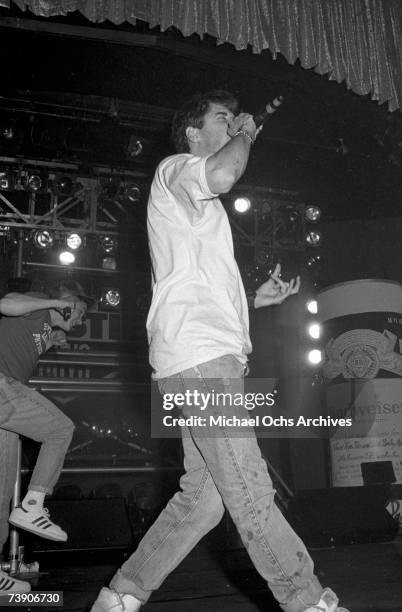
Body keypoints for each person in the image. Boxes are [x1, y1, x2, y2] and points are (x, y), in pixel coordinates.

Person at [91, 91, 348, 612]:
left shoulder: (196, 210)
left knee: (205, 499)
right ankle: (307, 600)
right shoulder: (177, 170)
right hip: (200, 359)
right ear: (192, 132)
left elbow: (198, 288)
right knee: (249, 487)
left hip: (201, 355)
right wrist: (247, 135)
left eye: (235, 120)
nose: (233, 125)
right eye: (222, 119)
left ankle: (121, 596)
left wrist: (256, 299)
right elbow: (225, 174)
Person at [0, 280, 89, 594]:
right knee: (61, 429)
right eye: (80, 312)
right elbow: (6, 303)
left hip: (5, 408)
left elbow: (21, 340)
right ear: (68, 301)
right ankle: (33, 505)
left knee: (1, 492)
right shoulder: (39, 303)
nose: (80, 321)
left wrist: (53, 338)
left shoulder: (44, 325)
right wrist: (50, 303)